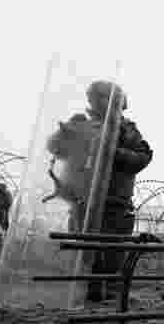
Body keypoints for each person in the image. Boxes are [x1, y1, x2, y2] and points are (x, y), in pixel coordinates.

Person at [46, 80, 153, 303]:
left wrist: (113, 152)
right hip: (83, 200)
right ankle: (84, 292)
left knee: (112, 252)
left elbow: (143, 158)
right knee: (83, 250)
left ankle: (110, 296)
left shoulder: (126, 129)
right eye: (95, 98)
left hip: (114, 202)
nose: (99, 103)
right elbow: (57, 150)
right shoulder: (83, 124)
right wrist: (64, 133)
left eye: (104, 98)